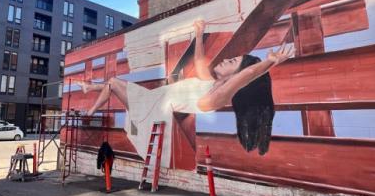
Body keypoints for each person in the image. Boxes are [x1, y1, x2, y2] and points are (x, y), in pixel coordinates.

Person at [80, 19, 294, 157]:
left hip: (150, 109)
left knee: (114, 82)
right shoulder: (208, 83)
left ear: (235, 77)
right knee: (113, 84)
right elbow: (199, 60)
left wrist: (269, 62)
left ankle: (90, 110)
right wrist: (199, 34)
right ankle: (90, 89)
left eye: (231, 62)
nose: (225, 59)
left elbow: (247, 75)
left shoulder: (214, 98)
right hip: (150, 99)